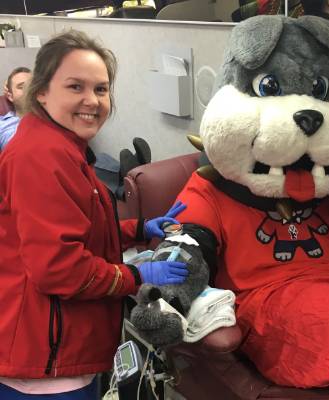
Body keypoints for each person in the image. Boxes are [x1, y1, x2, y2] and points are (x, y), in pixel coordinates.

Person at [0, 30, 188, 400]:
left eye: (101, 89)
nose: (93, 101)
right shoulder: (40, 157)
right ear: (41, 91)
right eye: (75, 87)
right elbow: (59, 268)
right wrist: (135, 274)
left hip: (65, 346)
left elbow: (73, 226)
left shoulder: (63, 147)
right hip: (47, 364)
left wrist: (136, 229)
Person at [0, 66, 31, 150]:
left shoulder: (53, 118)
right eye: (21, 87)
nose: (28, 90)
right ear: (10, 96)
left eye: (31, 85)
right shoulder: (2, 125)